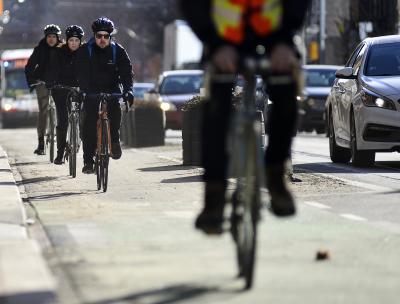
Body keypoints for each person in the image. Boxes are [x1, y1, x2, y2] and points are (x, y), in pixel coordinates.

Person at [180, 0, 311, 234]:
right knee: (215, 109)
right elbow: (192, 6)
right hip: (222, 38)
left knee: (288, 93)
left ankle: (276, 175)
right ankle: (215, 196)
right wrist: (214, 41)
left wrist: (285, 38)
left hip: (273, 36)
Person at [76, 17, 134, 174]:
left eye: (106, 36)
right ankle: (88, 161)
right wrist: (83, 91)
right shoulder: (85, 50)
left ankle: (114, 140)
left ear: (110, 36)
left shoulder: (118, 51)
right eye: (99, 36)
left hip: (112, 90)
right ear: (94, 36)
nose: (102, 39)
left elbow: (127, 73)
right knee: (89, 125)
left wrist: (128, 90)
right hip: (91, 90)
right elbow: (81, 73)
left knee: (115, 113)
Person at [25, 24, 63, 155]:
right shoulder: (39, 49)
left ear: (58, 37)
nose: (51, 39)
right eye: (49, 36)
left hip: (59, 83)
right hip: (42, 82)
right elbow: (29, 67)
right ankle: (41, 143)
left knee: (63, 109)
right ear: (45, 37)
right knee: (44, 110)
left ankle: (65, 139)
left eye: (54, 36)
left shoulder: (63, 49)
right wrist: (32, 82)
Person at [52, 25, 85, 165]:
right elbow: (51, 70)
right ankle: (60, 153)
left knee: (85, 117)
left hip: (79, 89)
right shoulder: (58, 52)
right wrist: (51, 82)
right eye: (71, 40)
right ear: (66, 40)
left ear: (80, 41)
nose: (74, 43)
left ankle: (86, 147)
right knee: (63, 119)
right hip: (61, 89)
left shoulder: (85, 53)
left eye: (77, 40)